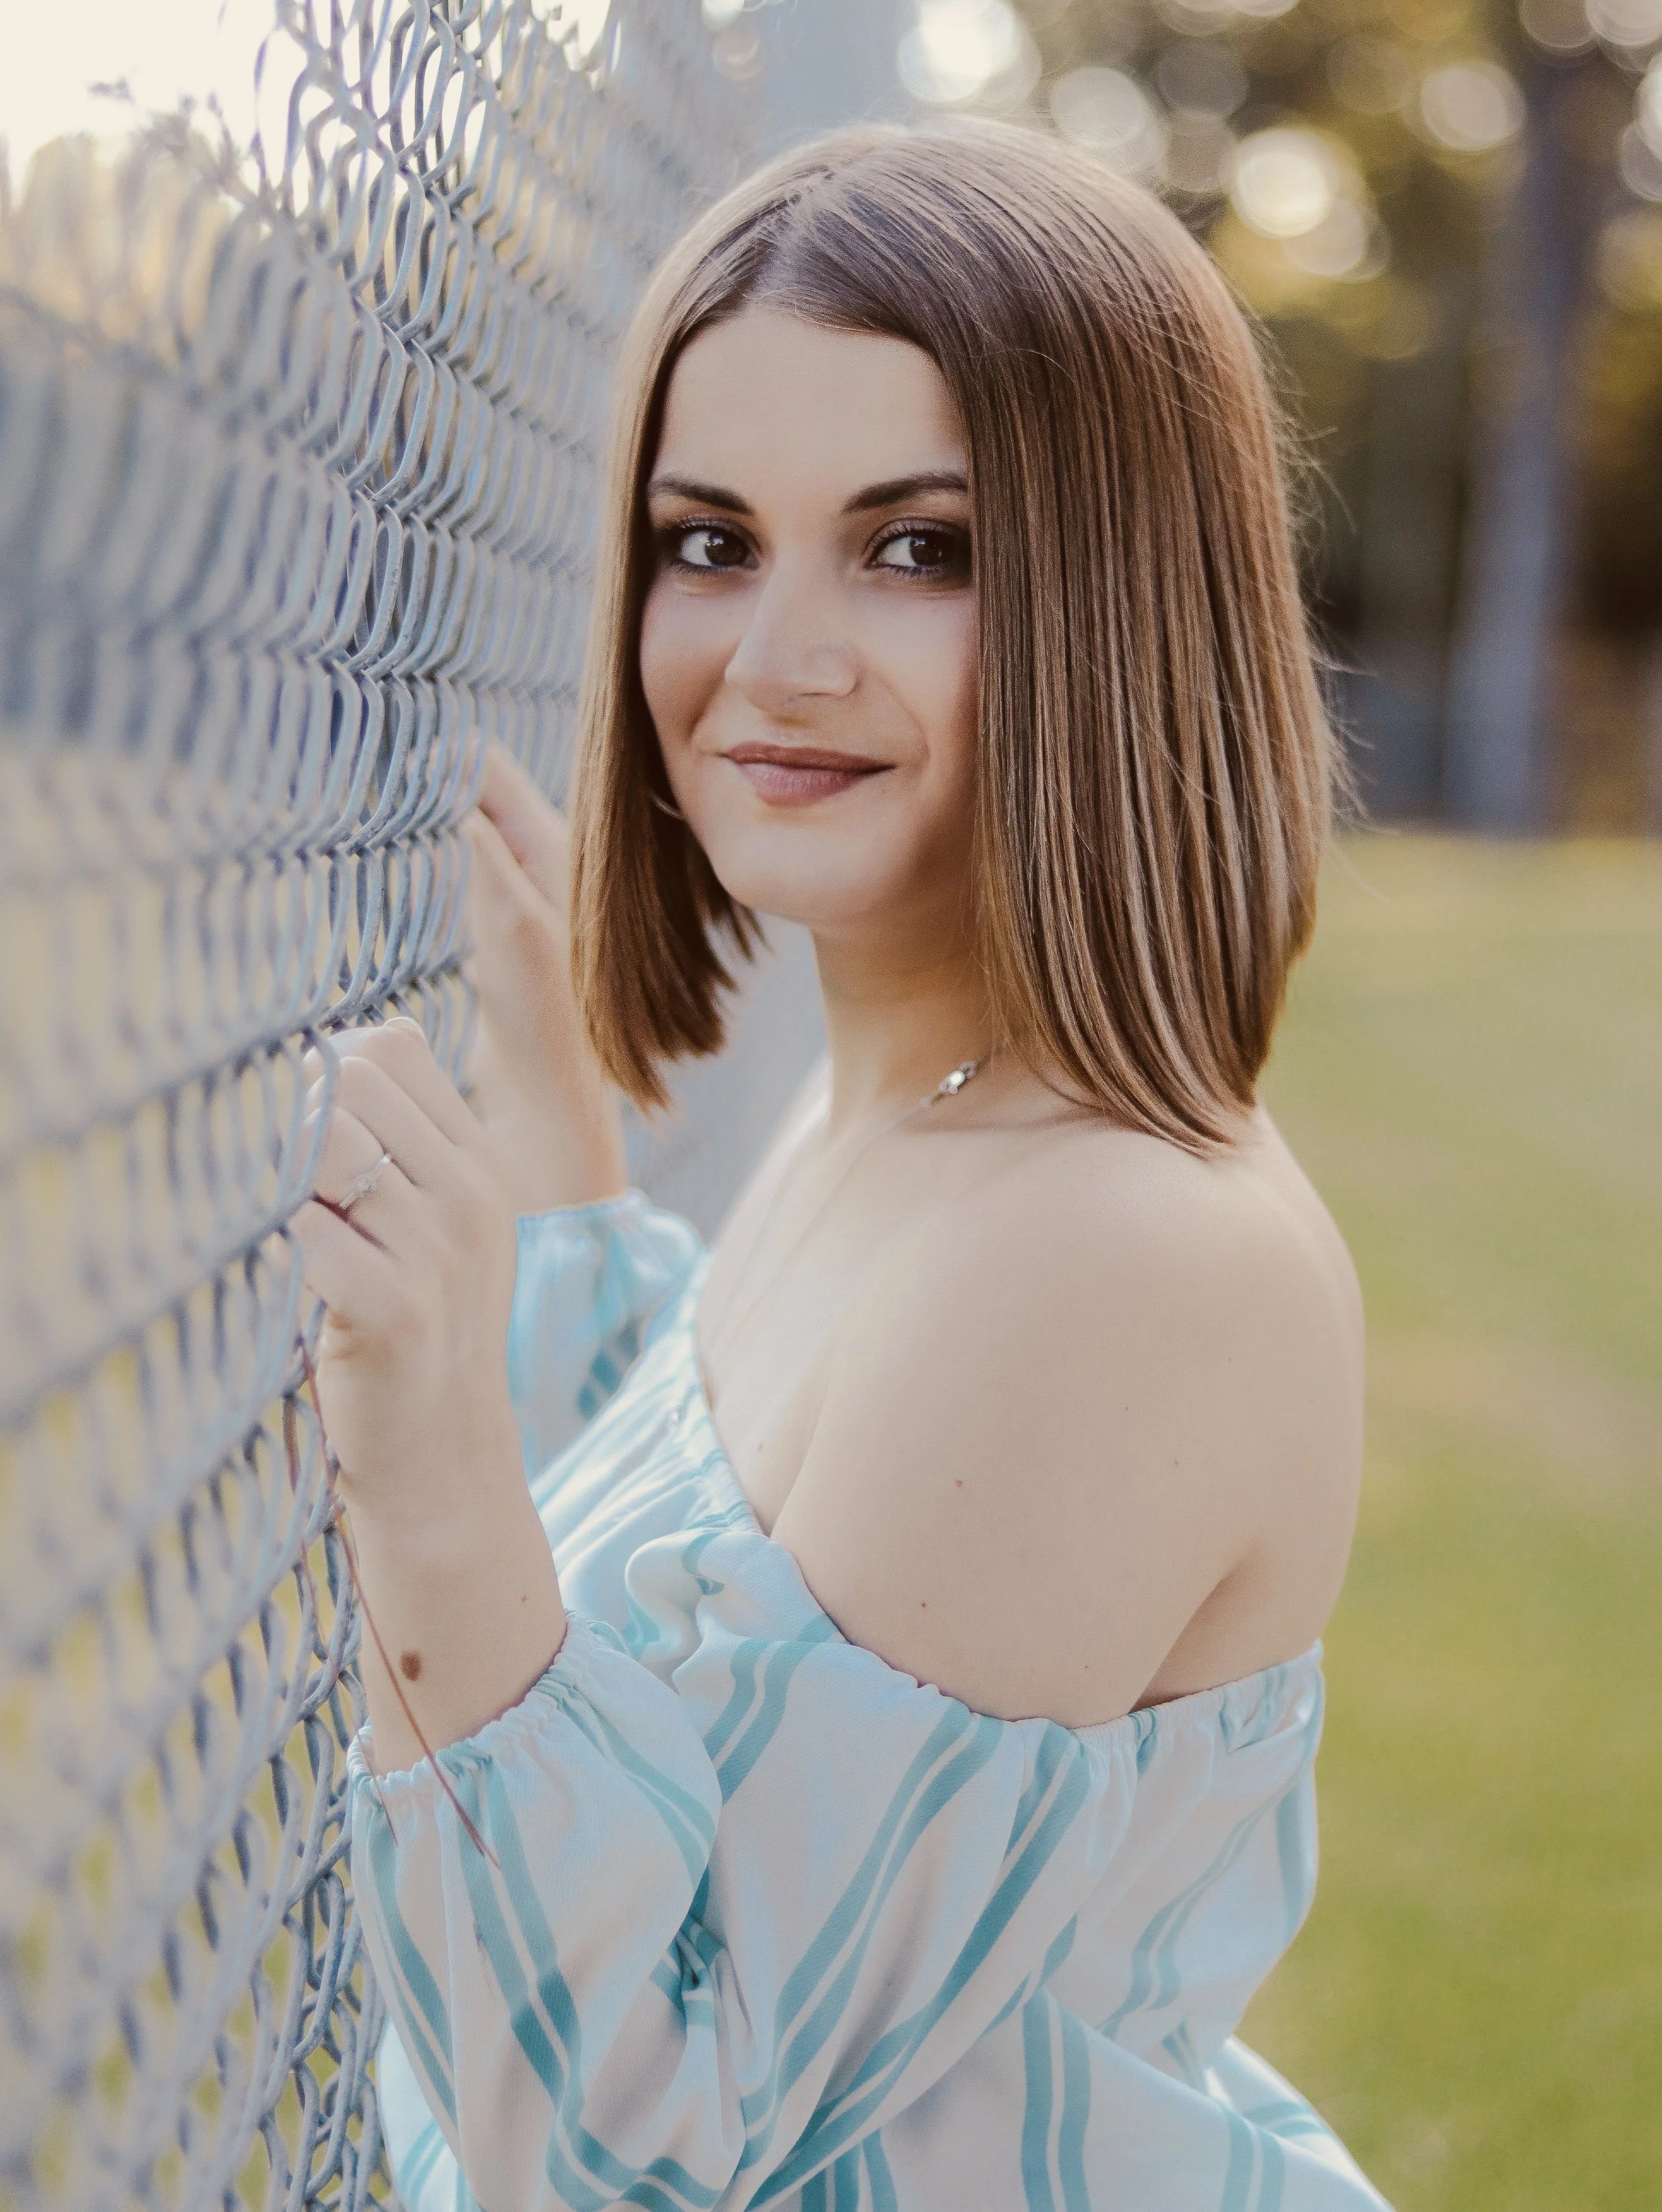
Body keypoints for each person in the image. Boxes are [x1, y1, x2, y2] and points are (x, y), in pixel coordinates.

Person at [294, 121, 1390, 2210]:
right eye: (710, 540)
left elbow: (648, 2147)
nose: (770, 659)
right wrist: (551, 1137)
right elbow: (724, 1610)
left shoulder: (1114, 1255)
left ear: (1125, 603)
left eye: (917, 549)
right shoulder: (904, 1102)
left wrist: (429, 1467)